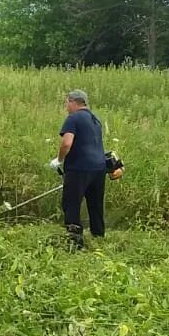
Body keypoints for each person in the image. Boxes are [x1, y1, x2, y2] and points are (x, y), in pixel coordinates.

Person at [50, 89, 107, 249]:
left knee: (71, 204)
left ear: (74, 102)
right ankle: (99, 237)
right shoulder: (95, 119)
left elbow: (67, 143)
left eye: (67, 102)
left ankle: (75, 242)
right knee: (95, 204)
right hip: (99, 168)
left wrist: (59, 160)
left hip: (79, 168)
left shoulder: (73, 118)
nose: (66, 106)